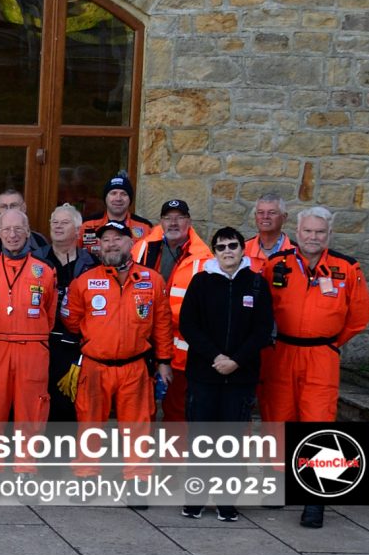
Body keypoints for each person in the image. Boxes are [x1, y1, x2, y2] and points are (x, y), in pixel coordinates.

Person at [257, 206, 369, 528]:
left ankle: (316, 499)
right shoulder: (276, 265)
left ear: (329, 235)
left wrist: (333, 344)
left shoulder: (347, 268)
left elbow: (360, 316)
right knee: (277, 418)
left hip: (321, 355)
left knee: (320, 422)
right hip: (281, 352)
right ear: (297, 232)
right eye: (308, 231)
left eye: (319, 232)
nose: (313, 237)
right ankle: (277, 485)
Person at [62, 221, 173, 482]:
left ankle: (137, 479)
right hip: (94, 365)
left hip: (135, 367)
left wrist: (165, 362)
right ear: (98, 246)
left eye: (117, 239)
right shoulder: (85, 282)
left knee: (138, 428)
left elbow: (162, 325)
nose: (111, 244)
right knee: (89, 425)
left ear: (131, 243)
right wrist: (99, 338)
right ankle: (86, 477)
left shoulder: (152, 280)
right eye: (106, 240)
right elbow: (72, 319)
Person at [178, 226, 274, 521]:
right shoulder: (200, 283)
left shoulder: (257, 285)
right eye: (221, 247)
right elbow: (188, 325)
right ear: (214, 251)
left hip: (240, 376)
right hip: (204, 373)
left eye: (233, 245)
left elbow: (262, 329)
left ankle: (226, 502)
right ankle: (195, 499)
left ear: (243, 249)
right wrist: (216, 356)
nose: (228, 251)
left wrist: (236, 360)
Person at [0, 208, 56, 468]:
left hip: (33, 347)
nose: (12, 234)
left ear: (28, 233)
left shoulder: (45, 270)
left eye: (19, 229)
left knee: (31, 410)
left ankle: (26, 467)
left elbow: (50, 312)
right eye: (7, 229)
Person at [133, 199, 213, 424]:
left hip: (181, 352)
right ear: (161, 222)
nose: (173, 223)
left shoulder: (204, 259)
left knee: (177, 412)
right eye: (168, 218)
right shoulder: (141, 248)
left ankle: (173, 459)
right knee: (139, 410)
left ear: (188, 221)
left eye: (179, 217)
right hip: (143, 345)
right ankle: (139, 459)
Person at [45, 203, 97, 427]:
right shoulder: (36, 259)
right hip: (44, 344)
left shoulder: (93, 263)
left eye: (64, 222)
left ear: (78, 230)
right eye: (54, 222)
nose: (58, 226)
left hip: (78, 346)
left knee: (72, 406)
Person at [0, 189, 50, 266]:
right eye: (3, 206)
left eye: (14, 205)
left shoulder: (39, 241)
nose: (8, 210)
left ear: (24, 208)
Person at [81, 171, 153, 250]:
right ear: (106, 198)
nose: (118, 198)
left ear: (130, 200)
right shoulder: (86, 225)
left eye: (124, 194)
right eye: (113, 193)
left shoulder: (145, 227)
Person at [244, 193, 292, 267]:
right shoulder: (243, 249)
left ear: (284, 217)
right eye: (260, 212)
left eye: (272, 213)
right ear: (255, 216)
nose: (265, 217)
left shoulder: (296, 252)